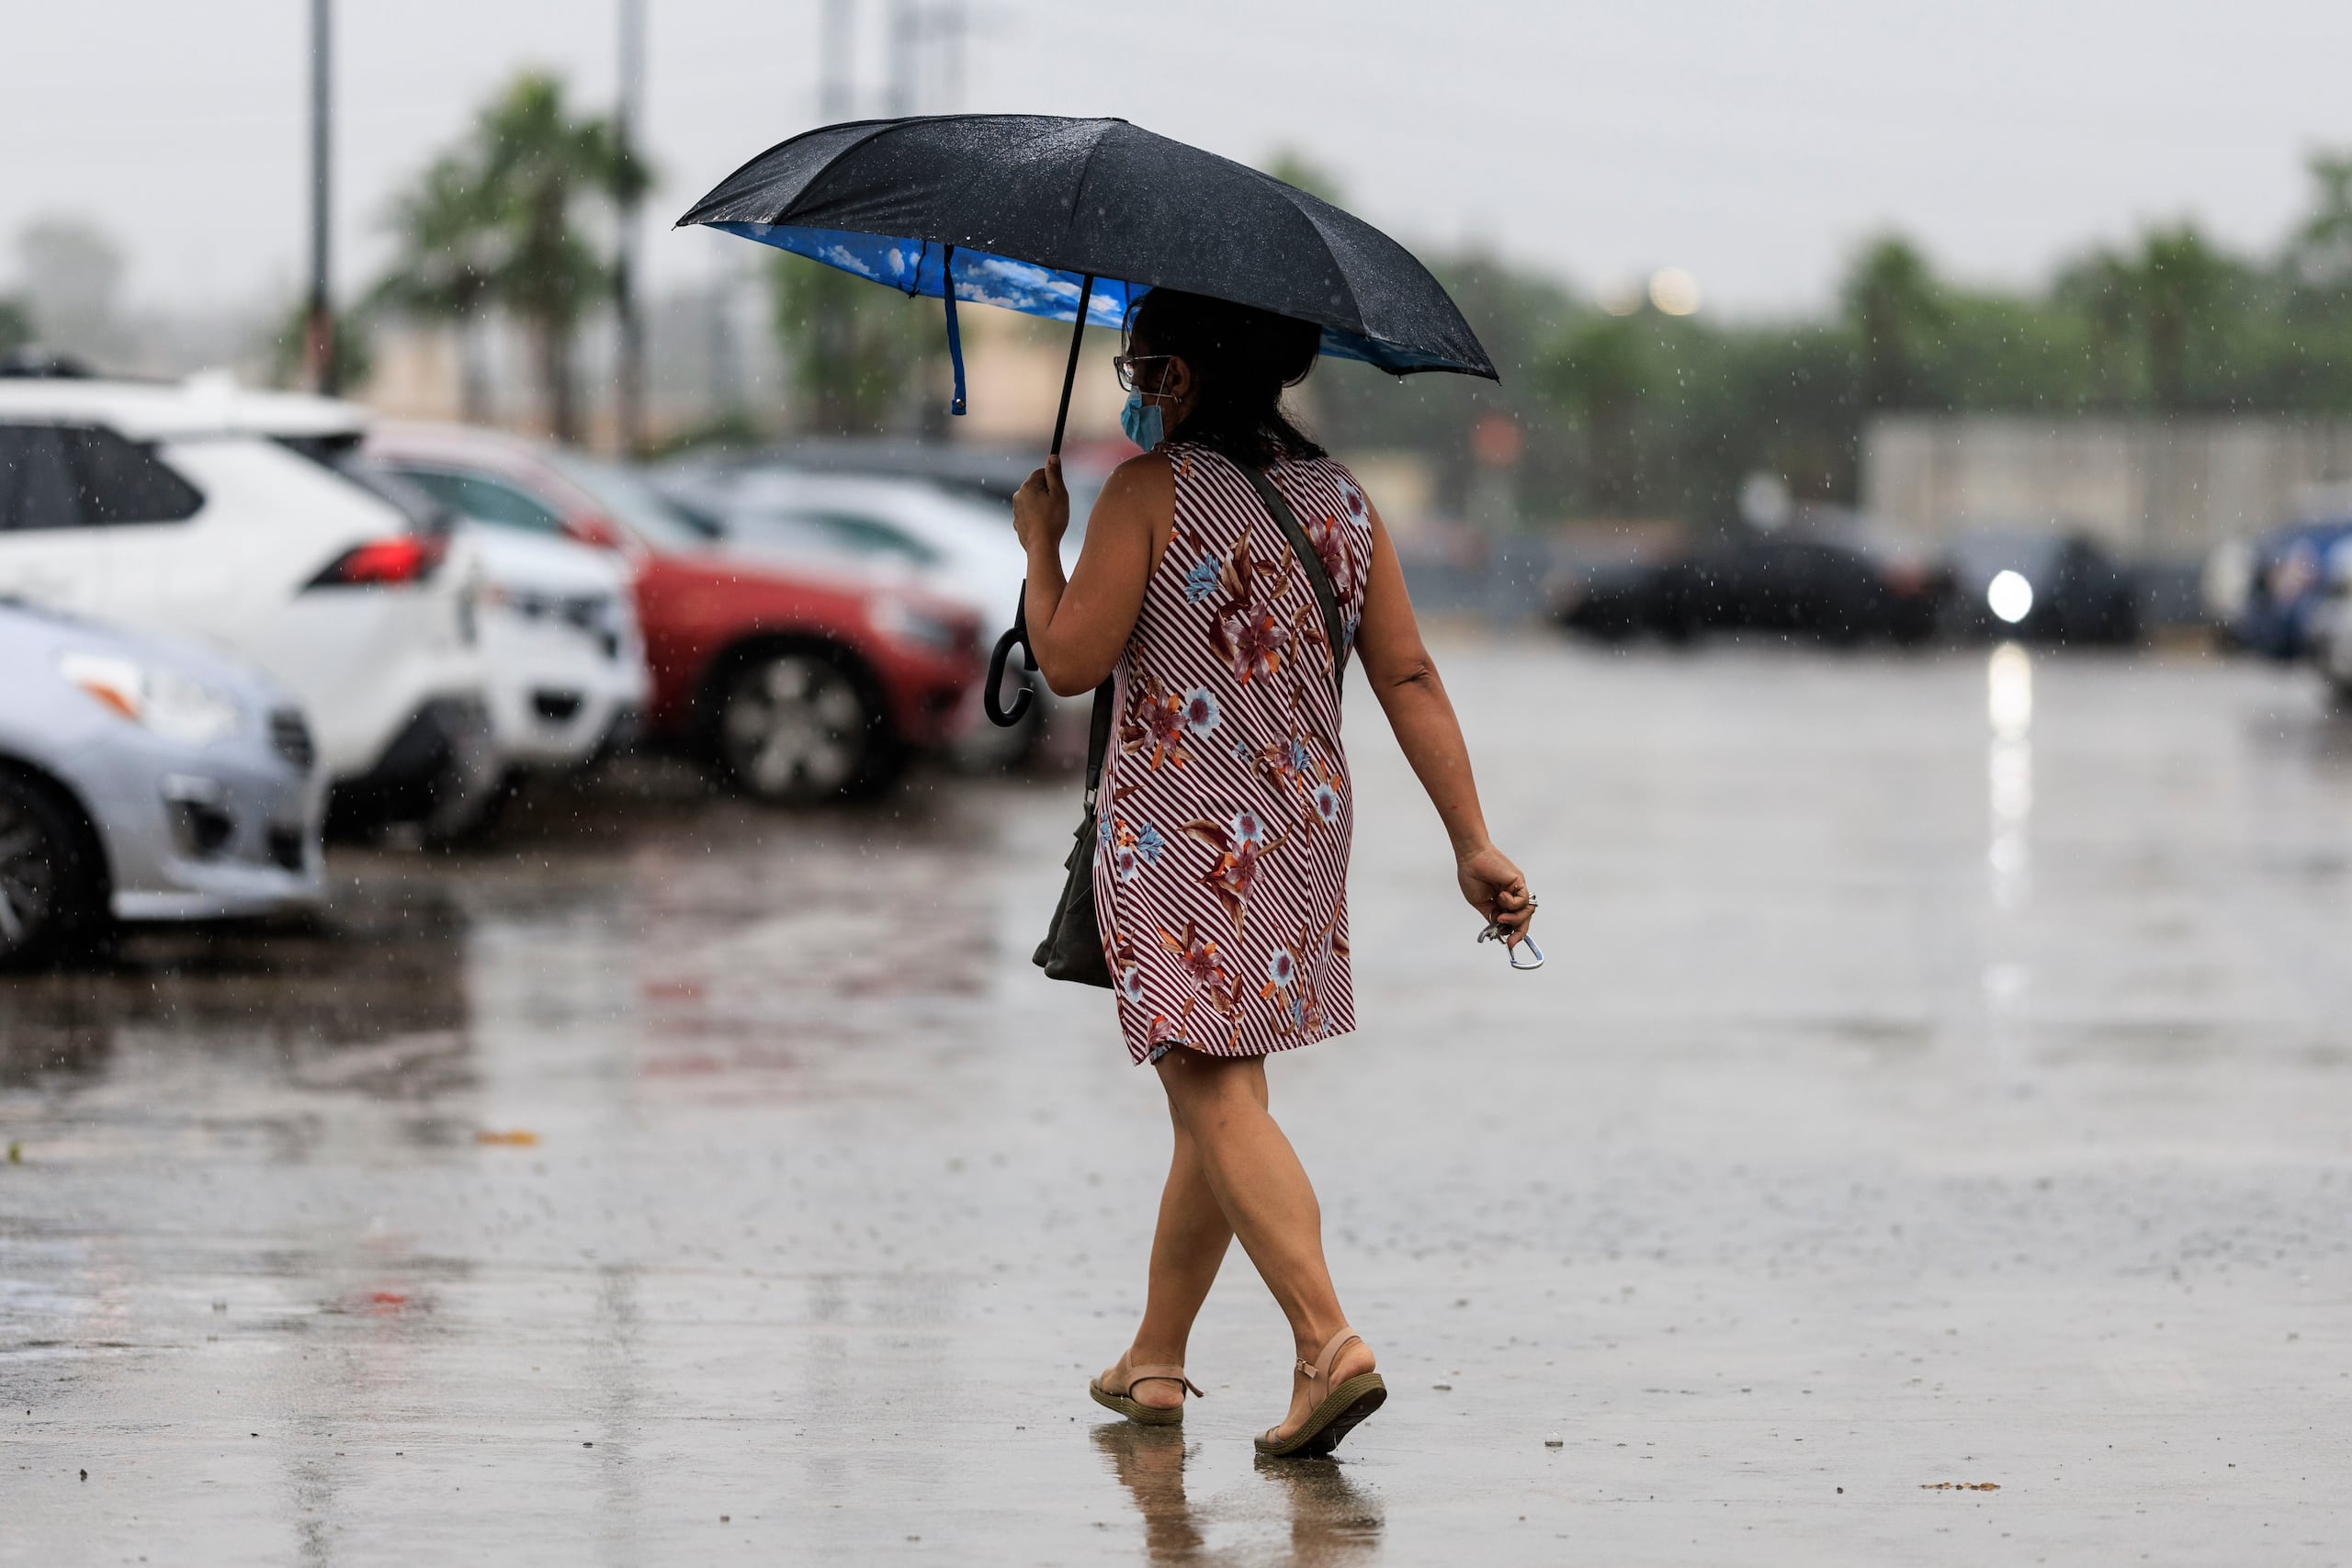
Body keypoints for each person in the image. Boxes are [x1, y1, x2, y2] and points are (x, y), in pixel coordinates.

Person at [1012, 288, 1534, 1459]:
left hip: (1182, 834)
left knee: (1208, 1092)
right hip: (1298, 833)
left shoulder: (1148, 493)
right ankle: (1155, 1358)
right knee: (1224, 1093)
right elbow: (1407, 678)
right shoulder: (1345, 503)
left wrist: (1041, 548)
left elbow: (1066, 658)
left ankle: (1326, 1342)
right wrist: (1472, 839)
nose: (1137, 388)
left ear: (1184, 376)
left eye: (1143, 367)